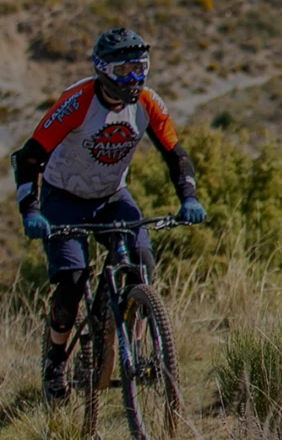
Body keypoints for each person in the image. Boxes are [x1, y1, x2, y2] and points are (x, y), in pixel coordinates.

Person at [12, 27, 206, 402]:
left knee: (142, 260)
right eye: (124, 71)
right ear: (103, 71)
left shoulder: (148, 103)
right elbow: (30, 156)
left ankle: (128, 334)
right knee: (70, 279)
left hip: (112, 195)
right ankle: (55, 358)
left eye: (140, 68)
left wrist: (189, 198)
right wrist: (30, 208)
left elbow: (175, 155)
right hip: (63, 197)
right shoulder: (77, 102)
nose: (134, 79)